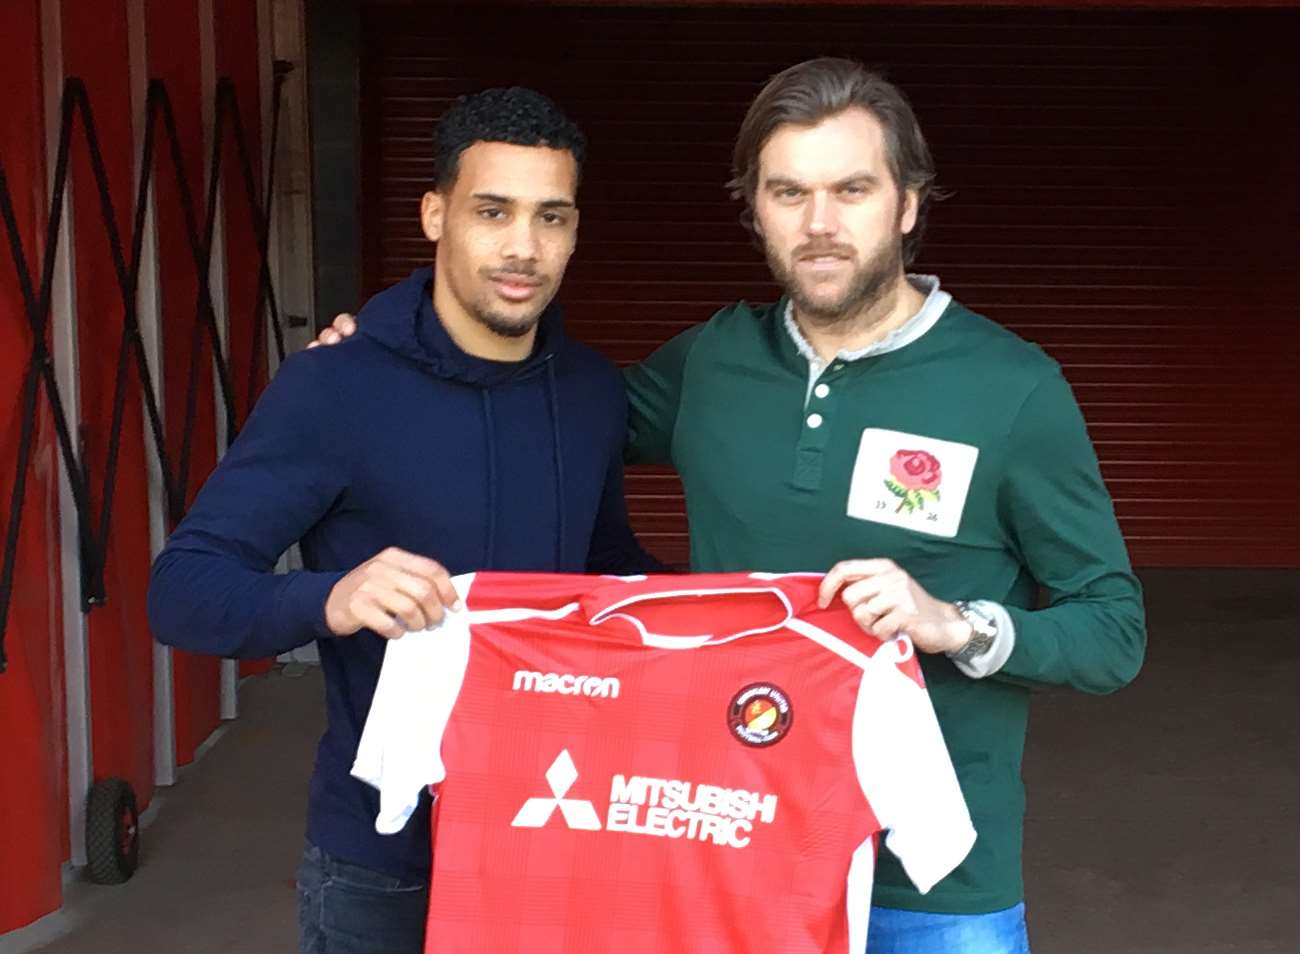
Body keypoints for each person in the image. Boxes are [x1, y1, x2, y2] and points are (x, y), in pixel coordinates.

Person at [318, 58, 1145, 953]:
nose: (820, 224)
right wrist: (389, 350)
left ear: (908, 204)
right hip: (731, 864)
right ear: (755, 211)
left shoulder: (1013, 389)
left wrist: (957, 626)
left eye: (851, 190)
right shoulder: (712, 363)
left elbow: (1113, 631)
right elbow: (539, 411)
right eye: (788, 193)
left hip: (937, 890)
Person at [147, 86, 655, 954]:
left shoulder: (593, 393)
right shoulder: (335, 386)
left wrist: (787, 606)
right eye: (492, 211)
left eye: (552, 217)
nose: (523, 248)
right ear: (434, 213)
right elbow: (182, 590)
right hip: (381, 860)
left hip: (559, 830)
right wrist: (330, 599)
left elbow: (608, 570)